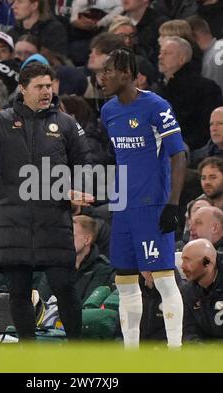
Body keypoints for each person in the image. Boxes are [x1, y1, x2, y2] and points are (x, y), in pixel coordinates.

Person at [0, 62, 94, 340]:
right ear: (23, 89)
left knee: (63, 287)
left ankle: (78, 349)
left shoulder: (66, 123)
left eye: (49, 86)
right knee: (18, 291)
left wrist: (76, 188)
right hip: (12, 222)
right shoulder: (2, 121)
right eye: (39, 87)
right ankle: (28, 355)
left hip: (53, 219)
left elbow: (85, 162)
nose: (46, 92)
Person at [100, 48, 186, 348]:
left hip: (153, 205)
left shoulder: (156, 106)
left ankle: (175, 352)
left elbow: (179, 153)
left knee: (163, 279)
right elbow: (121, 157)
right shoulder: (108, 111)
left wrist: (173, 204)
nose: (101, 78)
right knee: (124, 281)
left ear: (126, 74)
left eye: (107, 71)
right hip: (123, 207)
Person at [181, 238, 223, 341]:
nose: (182, 266)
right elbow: (189, 331)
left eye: (188, 260)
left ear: (207, 262)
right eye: (183, 260)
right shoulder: (186, 292)